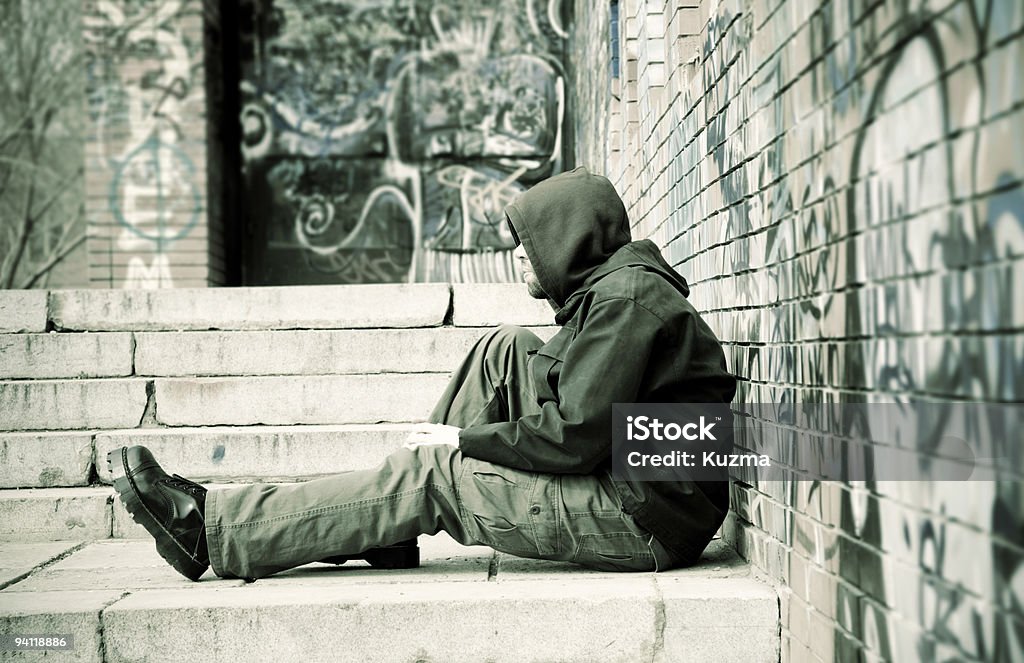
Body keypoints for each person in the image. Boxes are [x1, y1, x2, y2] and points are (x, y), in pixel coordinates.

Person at [110, 166, 737, 581]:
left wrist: (461, 442)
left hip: (643, 520)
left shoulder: (626, 301)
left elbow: (574, 436)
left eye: (530, 241)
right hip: (641, 489)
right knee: (506, 347)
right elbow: (579, 398)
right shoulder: (617, 291)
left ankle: (214, 532)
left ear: (568, 239)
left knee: (437, 471)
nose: (518, 255)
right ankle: (389, 518)